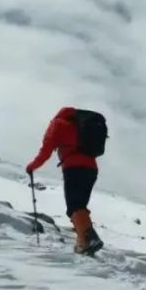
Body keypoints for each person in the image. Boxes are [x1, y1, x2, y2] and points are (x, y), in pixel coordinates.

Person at [25, 107, 104, 256]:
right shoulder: (81, 125)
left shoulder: (58, 124)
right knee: (80, 206)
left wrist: (32, 166)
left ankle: (89, 239)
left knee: (74, 206)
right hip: (91, 170)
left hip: (74, 169)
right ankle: (83, 242)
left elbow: (46, 150)